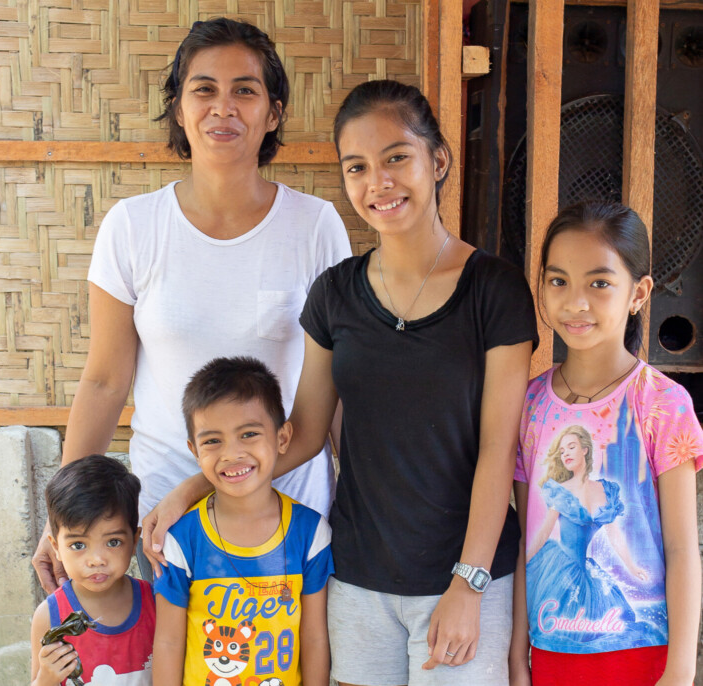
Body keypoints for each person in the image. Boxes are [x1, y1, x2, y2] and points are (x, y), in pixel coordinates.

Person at [147, 79, 539, 685]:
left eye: (396, 158)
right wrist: (189, 492)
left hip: (463, 576)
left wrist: (469, 582)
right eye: (357, 167)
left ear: (437, 160)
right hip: (357, 576)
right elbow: (301, 434)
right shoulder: (334, 294)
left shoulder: (496, 290)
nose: (378, 183)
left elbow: (497, 449)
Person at [31, 17, 351, 592]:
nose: (222, 107)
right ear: (178, 108)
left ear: (273, 112)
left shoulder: (314, 225)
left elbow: (335, 384)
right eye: (203, 89)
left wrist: (362, 498)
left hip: (288, 517)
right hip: (167, 520)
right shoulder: (133, 227)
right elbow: (105, 381)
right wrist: (65, 519)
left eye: (244, 91)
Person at [510, 202, 703, 686]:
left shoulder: (662, 403)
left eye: (599, 283)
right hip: (551, 649)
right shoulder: (529, 406)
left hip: (643, 657)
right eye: (558, 281)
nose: (576, 302)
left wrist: (680, 669)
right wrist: (517, 653)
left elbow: (682, 548)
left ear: (638, 293)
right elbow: (524, 544)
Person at [152, 356, 332, 686]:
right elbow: (167, 642)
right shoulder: (181, 540)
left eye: (248, 434)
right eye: (212, 440)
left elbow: (316, 639)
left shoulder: (310, 533)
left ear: (282, 438)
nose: (232, 453)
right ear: (194, 450)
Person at [30, 454, 155, 686]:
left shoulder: (155, 603)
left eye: (113, 542)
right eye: (78, 545)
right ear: (56, 547)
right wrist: (45, 679)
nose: (96, 560)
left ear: (135, 540)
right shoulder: (50, 616)